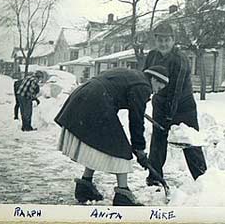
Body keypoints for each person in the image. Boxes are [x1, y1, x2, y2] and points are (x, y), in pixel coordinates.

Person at [54, 66, 169, 206]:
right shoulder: (143, 86)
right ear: (153, 78)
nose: (158, 91)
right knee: (120, 148)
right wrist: (139, 149)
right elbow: (136, 120)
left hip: (85, 94)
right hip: (96, 100)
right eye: (159, 85)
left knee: (98, 143)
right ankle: (123, 194)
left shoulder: (135, 76)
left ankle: (85, 186)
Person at [143, 22, 207, 186]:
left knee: (189, 141)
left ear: (173, 40)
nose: (163, 44)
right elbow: (145, 79)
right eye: (160, 40)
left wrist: (170, 115)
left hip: (183, 107)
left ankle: (202, 179)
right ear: (155, 41)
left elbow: (176, 90)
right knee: (158, 141)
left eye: (167, 40)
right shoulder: (151, 56)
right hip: (160, 103)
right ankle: (154, 177)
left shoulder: (180, 59)